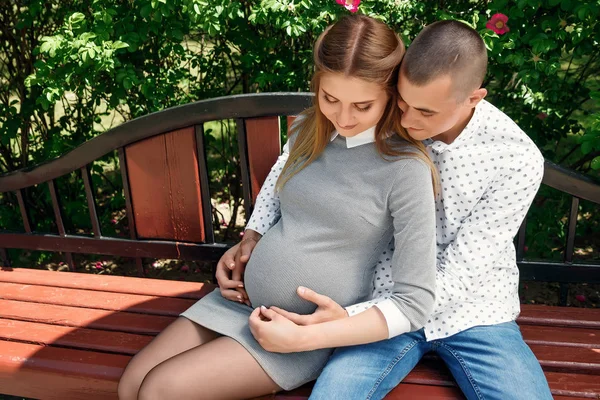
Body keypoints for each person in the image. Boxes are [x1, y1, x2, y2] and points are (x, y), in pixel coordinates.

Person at [221, 20, 553, 400]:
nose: (408, 122)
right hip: (378, 296)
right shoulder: (376, 115)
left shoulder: (515, 159)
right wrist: (254, 234)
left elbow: (462, 274)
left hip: (472, 312)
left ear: (473, 99)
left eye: (426, 112)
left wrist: (347, 321)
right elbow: (293, 161)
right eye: (402, 102)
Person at [117, 15, 439, 400]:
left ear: (390, 95)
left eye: (362, 105)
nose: (344, 117)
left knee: (160, 391)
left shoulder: (405, 169)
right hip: (239, 302)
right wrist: (249, 239)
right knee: (131, 384)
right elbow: (275, 190)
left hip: (299, 332)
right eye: (330, 99)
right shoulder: (309, 130)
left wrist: (317, 333)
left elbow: (415, 301)